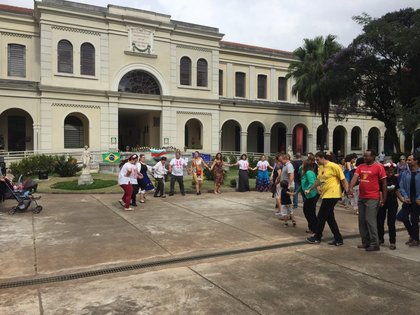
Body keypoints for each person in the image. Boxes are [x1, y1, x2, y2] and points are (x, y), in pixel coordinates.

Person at [305, 151, 348, 246]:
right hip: (326, 194)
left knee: (321, 216)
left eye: (318, 159)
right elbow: (318, 180)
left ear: (323, 158)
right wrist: (311, 188)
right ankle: (338, 239)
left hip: (333, 194)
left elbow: (343, 179)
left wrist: (348, 191)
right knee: (329, 218)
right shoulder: (320, 167)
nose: (317, 162)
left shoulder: (334, 166)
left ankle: (317, 237)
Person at [348, 150, 387, 251]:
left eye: (367, 156)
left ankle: (375, 243)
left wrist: (384, 198)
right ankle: (365, 242)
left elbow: (384, 183)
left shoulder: (379, 167)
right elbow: (354, 178)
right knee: (362, 221)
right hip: (362, 197)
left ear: (373, 156)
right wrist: (350, 188)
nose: (365, 158)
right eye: (364, 156)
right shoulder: (361, 166)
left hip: (373, 197)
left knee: (370, 220)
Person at [377, 162, 402, 250]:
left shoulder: (395, 178)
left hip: (392, 202)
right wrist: (381, 200)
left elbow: (396, 190)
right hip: (383, 202)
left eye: (392, 170)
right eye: (388, 171)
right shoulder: (382, 179)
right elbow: (380, 191)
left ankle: (392, 241)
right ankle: (380, 238)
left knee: (391, 222)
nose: (390, 172)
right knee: (380, 221)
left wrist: (401, 200)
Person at [398, 153, 420, 247]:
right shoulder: (405, 173)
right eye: (407, 160)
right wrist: (405, 197)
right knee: (404, 217)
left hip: (417, 199)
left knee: (414, 219)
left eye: (410, 160)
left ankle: (415, 239)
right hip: (408, 198)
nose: (407, 161)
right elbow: (401, 186)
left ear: (416, 161)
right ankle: (413, 235)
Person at [296, 159, 319, 234]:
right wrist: (296, 192)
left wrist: (308, 190)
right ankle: (312, 227)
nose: (301, 165)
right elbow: (302, 184)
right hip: (308, 196)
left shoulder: (309, 173)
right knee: (307, 212)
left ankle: (315, 229)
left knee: (310, 212)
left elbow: (312, 183)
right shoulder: (305, 172)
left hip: (311, 195)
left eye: (303, 164)